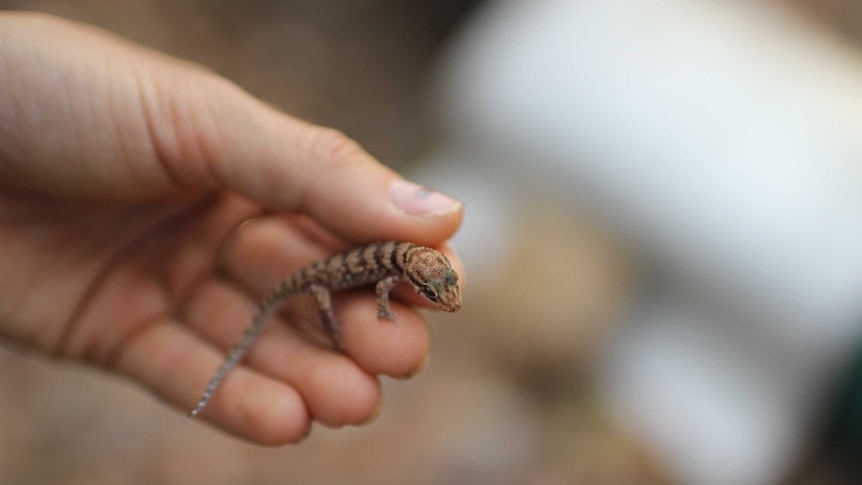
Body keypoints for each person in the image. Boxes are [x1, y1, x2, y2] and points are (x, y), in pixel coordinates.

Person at [0, 12, 464, 445]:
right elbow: (381, 288)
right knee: (328, 334)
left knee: (324, 381)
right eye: (437, 289)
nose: (445, 297)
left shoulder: (399, 262)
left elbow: (386, 286)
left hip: (298, 263)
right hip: (316, 278)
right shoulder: (388, 269)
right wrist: (339, 322)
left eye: (435, 288)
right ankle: (312, 329)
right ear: (415, 275)